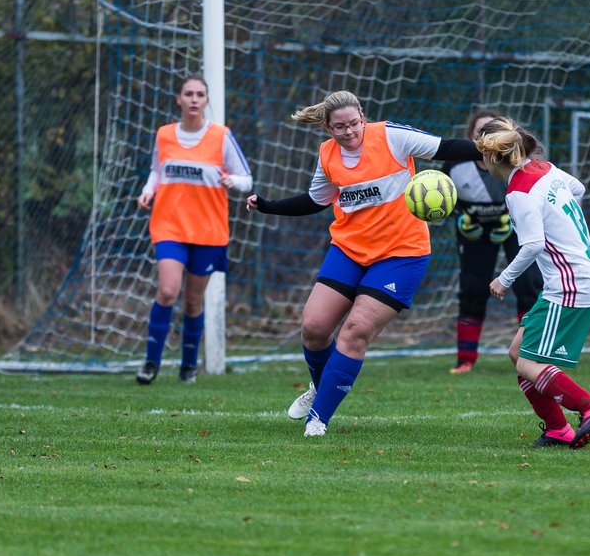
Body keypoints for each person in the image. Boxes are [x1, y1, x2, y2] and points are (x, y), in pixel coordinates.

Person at [245, 90, 483, 437]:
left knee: (355, 331)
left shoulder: (392, 137)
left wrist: (488, 148)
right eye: (340, 127)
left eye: (355, 124)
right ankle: (320, 386)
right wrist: (269, 205)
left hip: (402, 253)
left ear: (363, 117)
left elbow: (445, 148)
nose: (350, 132)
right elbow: (316, 200)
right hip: (349, 250)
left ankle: (318, 418)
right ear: (328, 128)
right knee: (313, 327)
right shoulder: (328, 154)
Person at [475, 117, 590, 449]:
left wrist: (503, 279)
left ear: (494, 157)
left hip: (571, 283)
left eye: (482, 154)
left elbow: (534, 244)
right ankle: (557, 429)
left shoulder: (518, 193)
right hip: (578, 277)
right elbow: (577, 189)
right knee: (516, 353)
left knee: (529, 363)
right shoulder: (544, 168)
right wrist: (560, 216)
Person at [135, 75, 253, 385]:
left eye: (200, 94)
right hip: (170, 226)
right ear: (178, 99)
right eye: (188, 93)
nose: (194, 99)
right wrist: (148, 190)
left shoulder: (221, 136)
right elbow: (156, 171)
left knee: (192, 301)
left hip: (208, 232)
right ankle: (150, 363)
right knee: (168, 290)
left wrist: (233, 182)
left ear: (207, 100)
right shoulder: (164, 135)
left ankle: (188, 365)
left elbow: (246, 179)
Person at [444, 108, 543, 374]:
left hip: (515, 228)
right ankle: (465, 359)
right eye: (480, 132)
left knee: (529, 284)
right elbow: (442, 201)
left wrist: (509, 219)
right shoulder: (454, 165)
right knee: (472, 289)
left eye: (492, 130)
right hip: (473, 232)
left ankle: (531, 352)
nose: (486, 136)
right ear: (470, 137)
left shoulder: (516, 164)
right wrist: (458, 217)